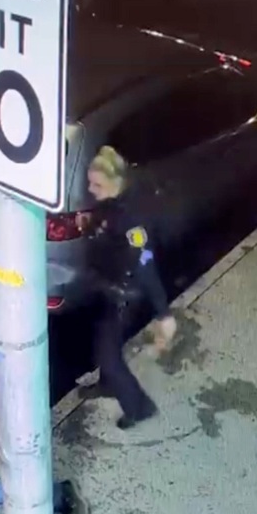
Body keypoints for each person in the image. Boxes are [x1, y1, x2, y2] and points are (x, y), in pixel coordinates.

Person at [80, 146, 177, 429]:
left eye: (97, 184)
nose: (90, 189)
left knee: (108, 357)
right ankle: (107, 384)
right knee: (100, 341)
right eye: (90, 182)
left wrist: (163, 314)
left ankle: (139, 408)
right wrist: (91, 226)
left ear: (115, 182)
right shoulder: (114, 200)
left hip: (124, 296)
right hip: (106, 286)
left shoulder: (133, 219)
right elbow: (107, 231)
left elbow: (145, 265)